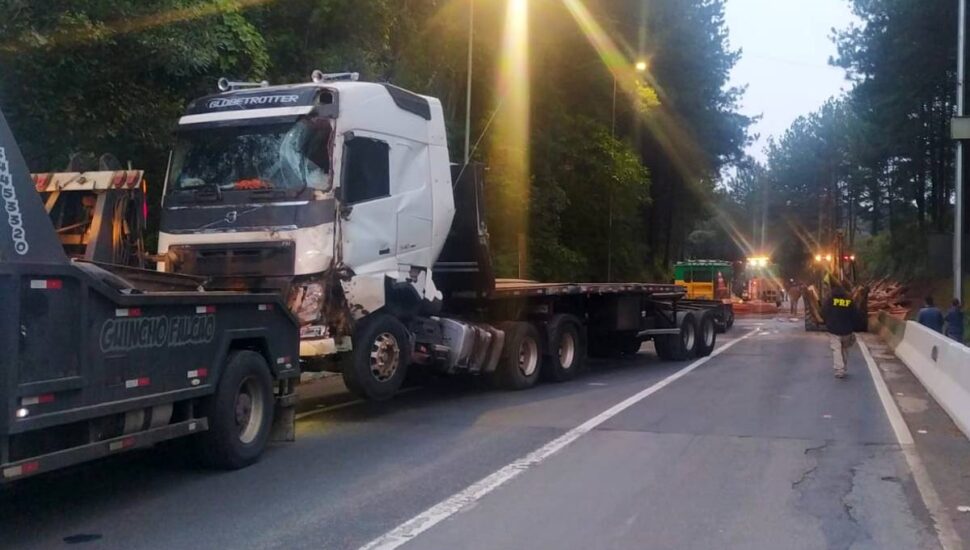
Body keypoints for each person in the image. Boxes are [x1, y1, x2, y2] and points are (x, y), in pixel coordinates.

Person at [822, 282, 857, 379]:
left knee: (836, 349)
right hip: (847, 329)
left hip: (834, 329)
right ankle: (843, 367)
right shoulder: (849, 301)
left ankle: (839, 369)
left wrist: (827, 322)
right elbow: (855, 314)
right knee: (844, 349)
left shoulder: (830, 300)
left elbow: (824, 311)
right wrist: (853, 326)